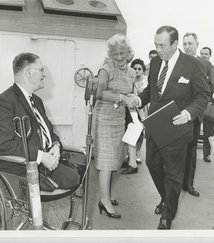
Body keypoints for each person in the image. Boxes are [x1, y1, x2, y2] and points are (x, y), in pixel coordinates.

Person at [137, 26, 210, 229]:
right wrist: (138, 99)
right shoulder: (155, 61)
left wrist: (188, 113)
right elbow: (151, 90)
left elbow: (203, 95)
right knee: (152, 164)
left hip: (177, 128)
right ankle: (166, 198)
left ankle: (167, 215)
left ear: (175, 44)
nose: (158, 49)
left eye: (162, 45)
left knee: (174, 173)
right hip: (155, 126)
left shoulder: (193, 65)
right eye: (156, 45)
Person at [0, 52, 80, 191]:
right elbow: (3, 144)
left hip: (45, 164)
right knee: (58, 182)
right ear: (28, 73)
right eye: (41, 70)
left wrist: (55, 145)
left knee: (76, 176)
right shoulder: (6, 101)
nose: (44, 75)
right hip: (21, 165)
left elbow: (48, 132)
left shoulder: (37, 101)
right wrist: (41, 156)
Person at [92, 33, 137, 219]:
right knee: (106, 162)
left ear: (128, 53)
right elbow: (99, 93)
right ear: (111, 54)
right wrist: (121, 98)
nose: (119, 57)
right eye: (115, 54)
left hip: (119, 118)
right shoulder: (106, 69)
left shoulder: (132, 72)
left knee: (116, 160)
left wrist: (132, 98)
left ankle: (107, 195)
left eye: (122, 53)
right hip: (104, 117)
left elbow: (131, 94)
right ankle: (105, 201)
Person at [182, 32, 214, 197]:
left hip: (194, 115)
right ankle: (172, 184)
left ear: (196, 44)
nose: (187, 46)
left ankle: (188, 184)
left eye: (190, 43)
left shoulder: (205, 64)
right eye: (185, 43)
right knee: (174, 152)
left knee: (191, 149)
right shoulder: (177, 62)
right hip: (176, 114)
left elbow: (209, 88)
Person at [121, 58, 148, 174]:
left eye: (139, 69)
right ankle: (130, 161)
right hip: (129, 110)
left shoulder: (144, 81)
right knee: (128, 134)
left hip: (138, 110)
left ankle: (133, 163)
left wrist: (143, 117)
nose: (137, 71)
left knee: (134, 134)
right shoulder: (129, 78)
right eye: (135, 68)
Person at [200, 46, 214, 162]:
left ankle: (206, 154)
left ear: (210, 55)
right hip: (196, 105)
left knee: (208, 132)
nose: (204, 55)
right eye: (202, 53)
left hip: (209, 106)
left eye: (206, 54)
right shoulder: (196, 67)